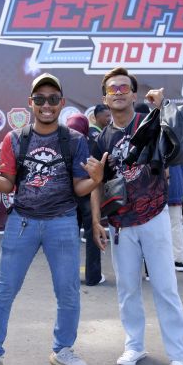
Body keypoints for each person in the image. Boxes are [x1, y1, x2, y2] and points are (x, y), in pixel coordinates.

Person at [0, 73, 107, 365]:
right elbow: (8, 184)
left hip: (62, 222)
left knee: (68, 291)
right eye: (40, 99)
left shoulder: (74, 140)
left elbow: (79, 186)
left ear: (62, 103)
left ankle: (63, 350)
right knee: (3, 290)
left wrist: (96, 180)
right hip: (22, 222)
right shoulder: (15, 139)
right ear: (30, 103)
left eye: (52, 99)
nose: (46, 105)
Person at [91, 66, 183, 365]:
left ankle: (178, 356)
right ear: (105, 98)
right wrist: (96, 221)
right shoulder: (101, 138)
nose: (118, 93)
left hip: (154, 216)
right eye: (112, 89)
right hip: (121, 224)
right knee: (127, 289)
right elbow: (96, 183)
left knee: (165, 288)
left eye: (124, 88)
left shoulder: (152, 122)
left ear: (134, 94)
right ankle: (134, 345)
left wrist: (164, 105)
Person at [66, 112, 105, 286]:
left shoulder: (61, 145)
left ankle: (69, 277)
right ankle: (93, 277)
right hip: (89, 196)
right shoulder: (92, 143)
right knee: (93, 236)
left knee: (69, 239)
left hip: (68, 198)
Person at [167, 165, 183, 272]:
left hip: (171, 186)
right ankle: (178, 259)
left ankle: (178, 259)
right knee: (175, 225)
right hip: (173, 186)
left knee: (175, 224)